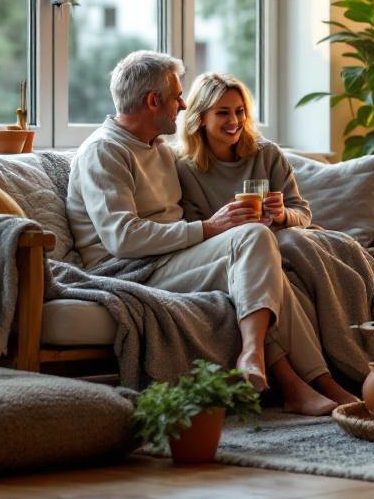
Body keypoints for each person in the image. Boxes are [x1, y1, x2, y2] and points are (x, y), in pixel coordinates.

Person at [66, 52, 347, 415]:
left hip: (169, 261)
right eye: (177, 96)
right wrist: (210, 227)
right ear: (153, 101)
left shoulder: (160, 151)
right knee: (251, 241)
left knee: (259, 259)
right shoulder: (104, 151)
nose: (182, 104)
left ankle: (303, 380)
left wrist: (238, 223)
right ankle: (285, 372)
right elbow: (124, 239)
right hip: (127, 269)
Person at [176, 72, 374, 395]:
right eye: (223, 112)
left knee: (292, 243)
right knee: (273, 273)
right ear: (200, 118)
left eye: (239, 111)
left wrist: (282, 214)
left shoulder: (266, 154)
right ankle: (317, 383)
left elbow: (302, 213)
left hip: (288, 240)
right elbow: (198, 232)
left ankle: (331, 373)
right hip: (240, 253)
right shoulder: (186, 169)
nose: (234, 120)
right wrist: (225, 225)